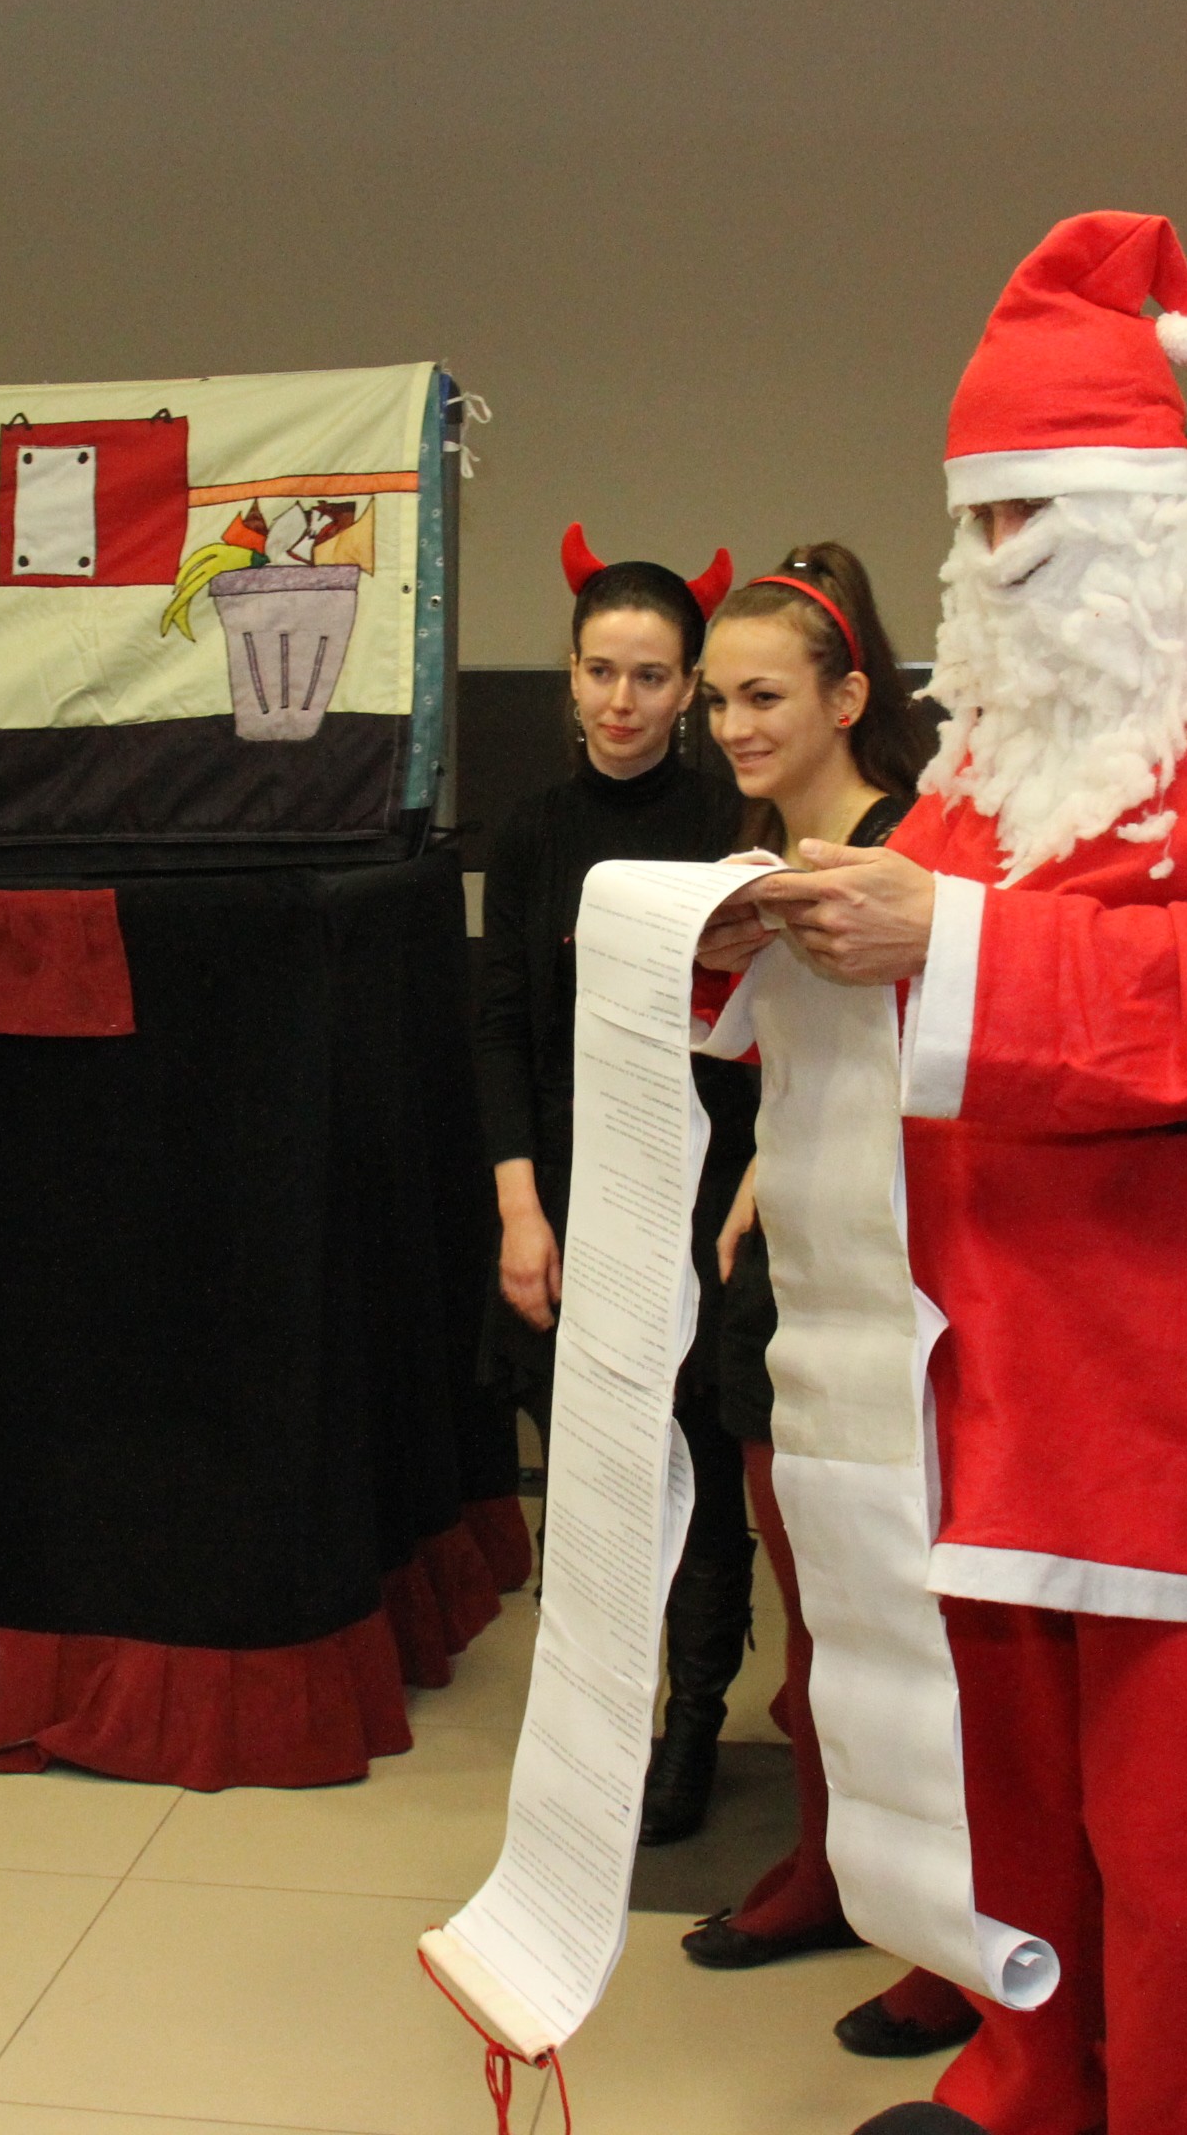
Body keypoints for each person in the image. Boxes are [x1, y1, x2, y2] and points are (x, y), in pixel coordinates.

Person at [710, 212, 1187, 2135]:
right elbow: (915, 915)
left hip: (1184, 1350)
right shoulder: (1011, 718)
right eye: (976, 519)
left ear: (1143, 504)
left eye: (1032, 512)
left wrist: (936, 938)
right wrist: (762, 933)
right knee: (1005, 1764)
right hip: (982, 1341)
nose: (998, 553)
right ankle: (1026, 2074)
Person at [674, 549, 983, 2059]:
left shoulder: (911, 859)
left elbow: (953, 1056)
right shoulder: (759, 863)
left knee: (908, 1628)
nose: (733, 726)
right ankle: (828, 1870)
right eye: (718, 699)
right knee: (817, 1625)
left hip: (905, 1289)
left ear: (849, 699)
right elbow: (776, 1056)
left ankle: (945, 1928)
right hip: (793, 1274)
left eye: (763, 697)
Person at [473, 526, 756, 1843]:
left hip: (698, 1198)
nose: (622, 701)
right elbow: (499, 1030)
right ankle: (592, 1728)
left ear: (690, 687)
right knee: (590, 1482)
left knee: (699, 1465)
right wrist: (521, 1212)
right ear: (571, 677)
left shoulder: (731, 827)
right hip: (566, 1199)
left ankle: (691, 1727)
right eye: (600, 672)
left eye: (650, 676)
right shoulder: (533, 832)